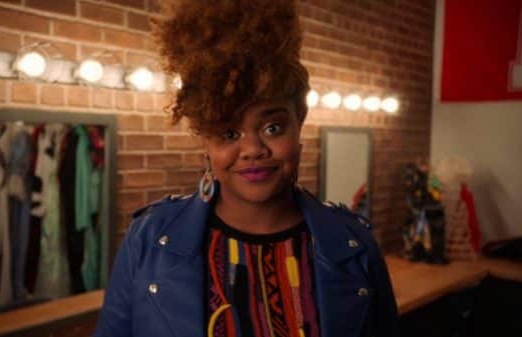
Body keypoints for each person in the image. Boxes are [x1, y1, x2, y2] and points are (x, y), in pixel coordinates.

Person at [94, 1, 399, 336]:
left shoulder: (355, 244)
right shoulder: (148, 240)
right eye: (229, 133)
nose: (253, 150)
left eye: (273, 128)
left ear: (300, 123)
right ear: (205, 142)